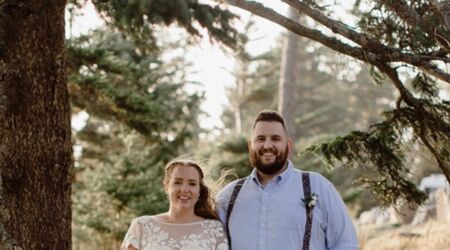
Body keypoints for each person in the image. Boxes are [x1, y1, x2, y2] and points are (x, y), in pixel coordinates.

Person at [216, 110, 358, 250]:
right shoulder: (227, 198)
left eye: (275, 139)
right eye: (260, 139)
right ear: (250, 146)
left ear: (288, 146)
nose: (267, 146)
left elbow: (346, 244)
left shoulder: (318, 186)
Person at [121, 159, 228, 250]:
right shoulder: (141, 226)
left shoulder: (215, 229)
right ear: (166, 186)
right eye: (178, 182)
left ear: (199, 190)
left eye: (192, 184)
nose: (185, 189)